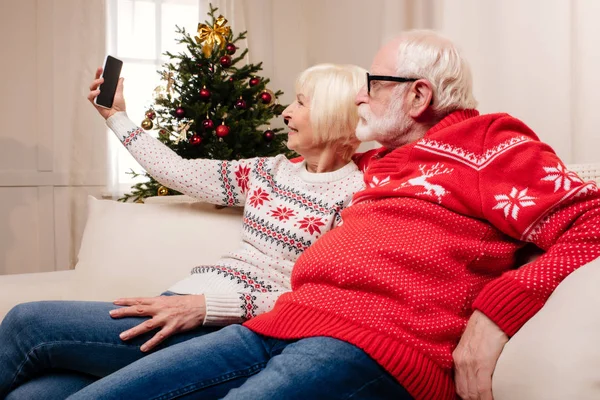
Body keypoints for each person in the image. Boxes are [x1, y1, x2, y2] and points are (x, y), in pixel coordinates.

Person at [51, 29, 600, 400]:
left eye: (371, 85)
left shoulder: (491, 145)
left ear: (418, 95)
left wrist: (494, 315)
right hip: (285, 321)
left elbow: (590, 219)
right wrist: (118, 118)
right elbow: (202, 168)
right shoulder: (381, 164)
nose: (360, 99)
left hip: (369, 342)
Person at [0, 63, 367, 399]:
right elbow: (177, 171)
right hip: (175, 304)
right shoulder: (267, 171)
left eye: (301, 104)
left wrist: (208, 306)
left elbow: (326, 298)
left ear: (333, 117)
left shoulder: (358, 196)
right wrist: (116, 117)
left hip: (218, 327)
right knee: (34, 394)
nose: (286, 112)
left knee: (27, 322)